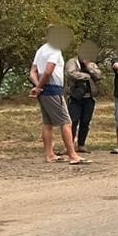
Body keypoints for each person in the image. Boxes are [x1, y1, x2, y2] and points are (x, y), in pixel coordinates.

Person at [30, 25, 84, 165]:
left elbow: (33, 71)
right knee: (66, 122)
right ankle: (72, 155)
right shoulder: (55, 50)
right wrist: (40, 86)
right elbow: (48, 71)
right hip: (53, 89)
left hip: (44, 90)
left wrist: (38, 87)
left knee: (48, 123)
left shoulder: (41, 50)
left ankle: (49, 154)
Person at [65, 40, 103, 153]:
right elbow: (70, 73)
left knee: (85, 122)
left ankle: (81, 144)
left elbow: (99, 75)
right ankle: (69, 145)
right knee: (73, 120)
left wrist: (88, 67)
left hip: (89, 97)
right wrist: (87, 75)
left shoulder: (91, 64)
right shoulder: (72, 62)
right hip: (75, 97)